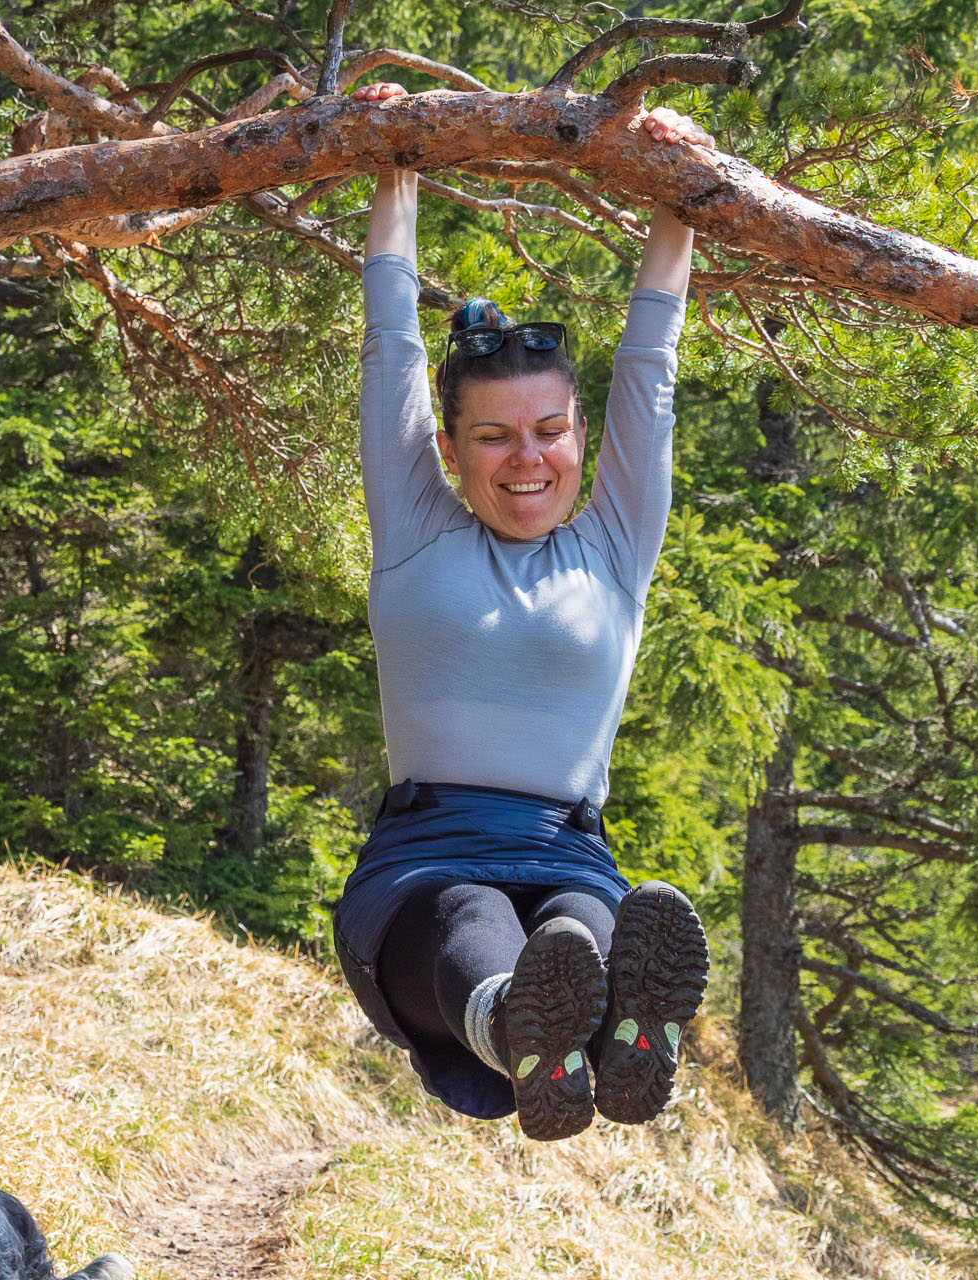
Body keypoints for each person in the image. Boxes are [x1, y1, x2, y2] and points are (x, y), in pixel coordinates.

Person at [330, 82, 716, 1142]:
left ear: (582, 436)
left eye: (549, 428)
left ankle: (621, 1038)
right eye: (494, 436)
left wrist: (679, 200)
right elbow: (390, 351)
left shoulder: (615, 541)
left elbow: (652, 370)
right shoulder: (415, 525)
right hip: (425, 863)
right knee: (477, 919)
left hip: (571, 849)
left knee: (588, 932)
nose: (528, 457)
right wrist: (393, 166)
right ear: (447, 450)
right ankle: (525, 1033)